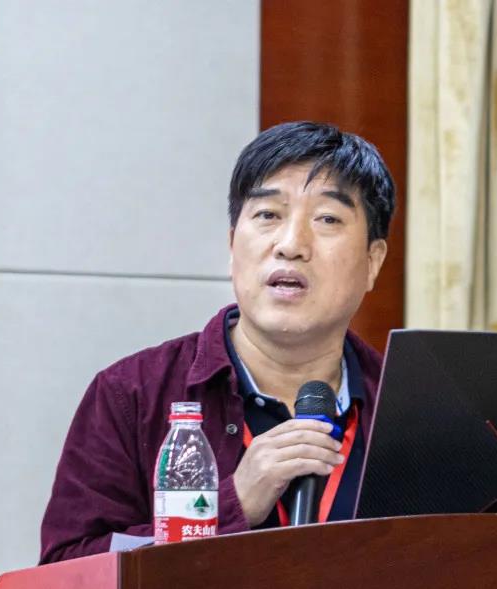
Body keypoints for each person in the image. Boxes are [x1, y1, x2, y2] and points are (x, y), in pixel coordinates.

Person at [39, 121, 394, 563]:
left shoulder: (408, 410)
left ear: (372, 261)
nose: (291, 245)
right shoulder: (132, 394)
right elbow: (68, 572)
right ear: (232, 246)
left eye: (327, 219)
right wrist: (231, 506)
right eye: (268, 215)